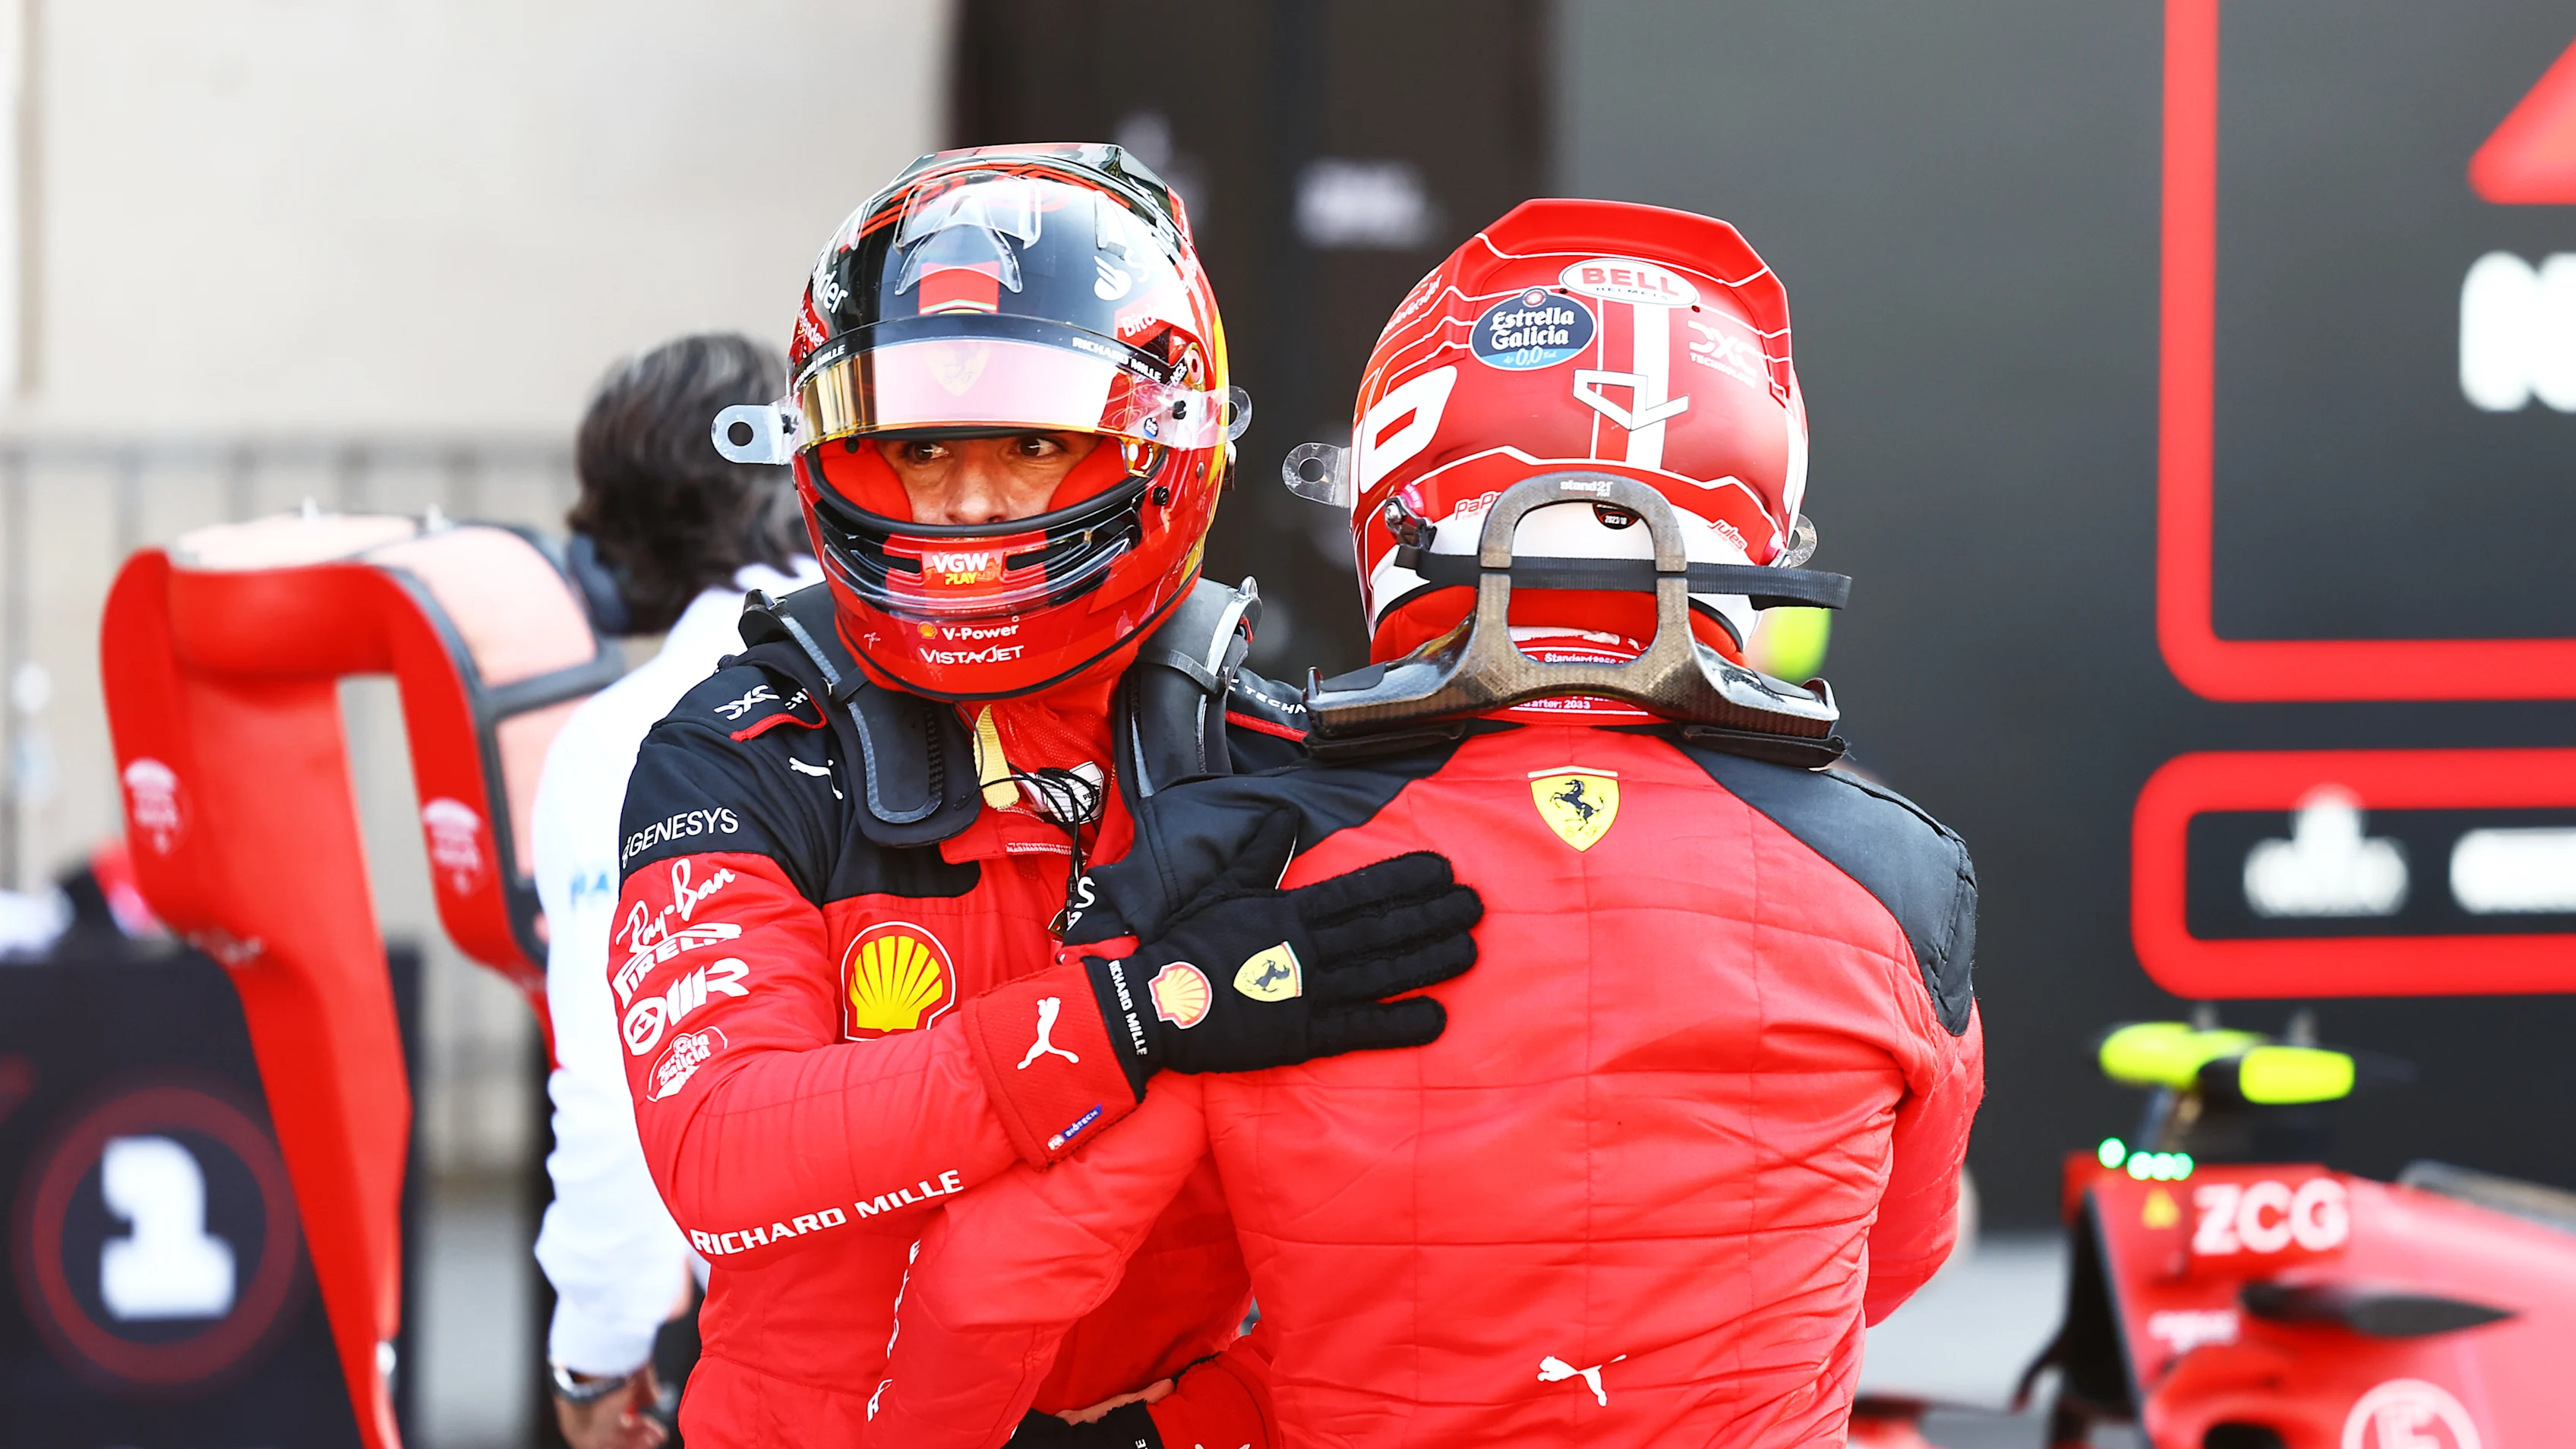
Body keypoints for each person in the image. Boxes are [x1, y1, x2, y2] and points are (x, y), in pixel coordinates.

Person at [858, 198, 1986, 1448]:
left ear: (1402, 489)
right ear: (1754, 532)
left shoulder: (1238, 851)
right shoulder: (1898, 874)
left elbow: (997, 1292)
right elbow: (1895, 1258)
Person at [606, 145, 1483, 1447]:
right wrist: (1131, 1015)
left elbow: (1425, 1227)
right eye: (914, 449)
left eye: (1029, 446)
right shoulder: (735, 753)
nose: (962, 509)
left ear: (1165, 452)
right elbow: (725, 1164)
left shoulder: (1283, 762)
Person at [532, 333, 820, 1449]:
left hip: (816, 1348)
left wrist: (597, 1353)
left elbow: (622, 1088)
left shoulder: (620, 744)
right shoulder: (943, 663)